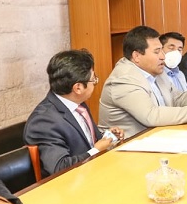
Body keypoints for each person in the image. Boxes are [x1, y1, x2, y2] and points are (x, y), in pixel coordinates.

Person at [99, 25, 187, 137]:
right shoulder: (124, 79)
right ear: (137, 56)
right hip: (125, 148)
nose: (163, 57)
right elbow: (151, 115)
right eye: (157, 52)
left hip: (158, 137)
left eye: (162, 51)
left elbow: (177, 97)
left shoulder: (156, 70)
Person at [24, 49, 124, 177]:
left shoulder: (77, 103)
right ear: (78, 88)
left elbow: (87, 142)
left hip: (93, 173)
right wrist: (96, 150)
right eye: (93, 80)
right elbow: (59, 168)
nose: (95, 83)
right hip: (69, 184)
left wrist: (108, 137)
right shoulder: (44, 122)